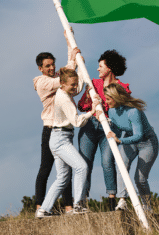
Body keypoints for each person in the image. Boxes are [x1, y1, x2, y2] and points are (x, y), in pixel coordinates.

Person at [36, 68, 97, 217]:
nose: (75, 87)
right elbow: (76, 121)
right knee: (81, 167)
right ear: (62, 84)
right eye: (72, 85)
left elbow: (78, 87)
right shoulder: (63, 98)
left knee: (62, 178)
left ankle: (43, 210)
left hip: (60, 138)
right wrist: (92, 111)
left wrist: (81, 72)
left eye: (76, 84)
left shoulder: (64, 92)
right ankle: (77, 205)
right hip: (61, 139)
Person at [77, 50, 130, 210]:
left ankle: (112, 200)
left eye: (101, 66)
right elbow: (81, 106)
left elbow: (124, 112)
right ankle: (82, 201)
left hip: (110, 126)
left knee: (108, 161)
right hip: (91, 125)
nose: (98, 69)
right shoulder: (93, 84)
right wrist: (91, 101)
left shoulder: (122, 88)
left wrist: (106, 104)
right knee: (84, 163)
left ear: (110, 68)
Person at [33, 31, 79, 214]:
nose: (51, 68)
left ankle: (68, 207)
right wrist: (72, 59)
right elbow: (66, 75)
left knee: (65, 170)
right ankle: (39, 206)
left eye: (53, 65)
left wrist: (70, 42)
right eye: (47, 66)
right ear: (40, 68)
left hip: (64, 129)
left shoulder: (57, 78)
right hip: (50, 129)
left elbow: (69, 68)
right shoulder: (42, 82)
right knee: (46, 168)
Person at [96, 84, 158, 212]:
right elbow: (117, 126)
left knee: (140, 179)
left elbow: (139, 135)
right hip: (129, 139)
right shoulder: (112, 111)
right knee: (121, 166)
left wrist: (120, 140)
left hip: (147, 142)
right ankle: (122, 200)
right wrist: (104, 121)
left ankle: (147, 207)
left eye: (108, 99)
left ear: (116, 97)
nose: (106, 102)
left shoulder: (133, 111)